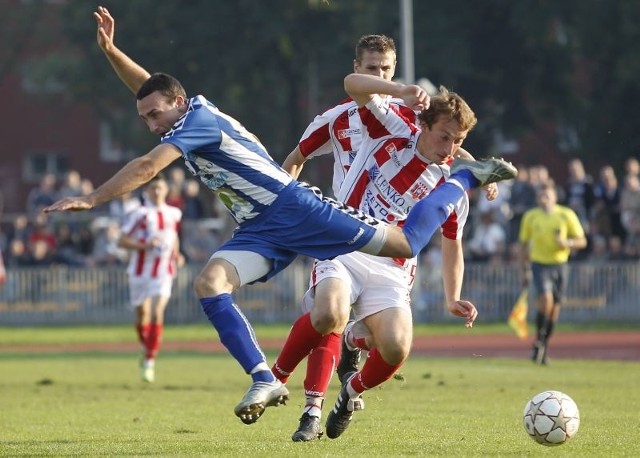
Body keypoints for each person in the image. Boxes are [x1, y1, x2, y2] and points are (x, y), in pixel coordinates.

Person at [44, 6, 516, 425]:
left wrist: (94, 198)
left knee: (405, 244)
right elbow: (152, 92)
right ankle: (264, 378)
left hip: (294, 206)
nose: (150, 125)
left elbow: (148, 166)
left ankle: (464, 180)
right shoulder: (178, 112)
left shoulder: (195, 123)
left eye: (154, 117)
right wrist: (111, 52)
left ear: (179, 106)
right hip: (260, 227)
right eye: (144, 118)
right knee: (209, 283)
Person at [273, 35, 496, 441]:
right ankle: (281, 384)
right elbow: (345, 94)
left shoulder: (450, 178)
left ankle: (351, 385)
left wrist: (452, 297)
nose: (451, 148)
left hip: (392, 265)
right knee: (328, 315)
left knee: (395, 348)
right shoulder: (385, 119)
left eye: (387, 69)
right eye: (373, 68)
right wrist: (284, 212)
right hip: (344, 236)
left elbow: (453, 242)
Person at [117, 173, 183, 382]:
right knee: (142, 316)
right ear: (146, 191)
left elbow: (173, 237)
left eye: (160, 188)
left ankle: (149, 360)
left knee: (156, 313)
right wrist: (144, 246)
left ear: (166, 190)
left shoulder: (174, 213)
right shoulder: (140, 214)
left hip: (163, 271)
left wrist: (177, 254)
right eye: (153, 188)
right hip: (139, 272)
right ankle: (147, 348)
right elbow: (122, 241)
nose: (157, 191)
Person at [519, 182, 587, 365]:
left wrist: (568, 244)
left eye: (547, 196)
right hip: (540, 264)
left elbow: (582, 240)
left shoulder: (566, 215)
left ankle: (541, 346)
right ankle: (539, 343)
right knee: (546, 301)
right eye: (541, 196)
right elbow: (523, 246)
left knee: (554, 311)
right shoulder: (531, 216)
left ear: (555, 198)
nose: (544, 199)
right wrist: (523, 270)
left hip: (560, 266)